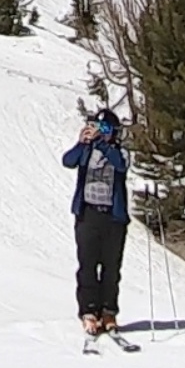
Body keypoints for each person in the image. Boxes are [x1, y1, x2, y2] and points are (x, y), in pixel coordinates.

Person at [61, 108, 131, 336]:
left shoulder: (120, 151)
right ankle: (89, 310)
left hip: (113, 218)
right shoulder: (87, 150)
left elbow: (120, 165)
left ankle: (108, 311)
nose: (102, 133)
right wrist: (82, 143)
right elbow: (68, 161)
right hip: (88, 215)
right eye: (99, 128)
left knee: (111, 268)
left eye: (107, 129)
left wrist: (102, 144)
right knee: (87, 265)